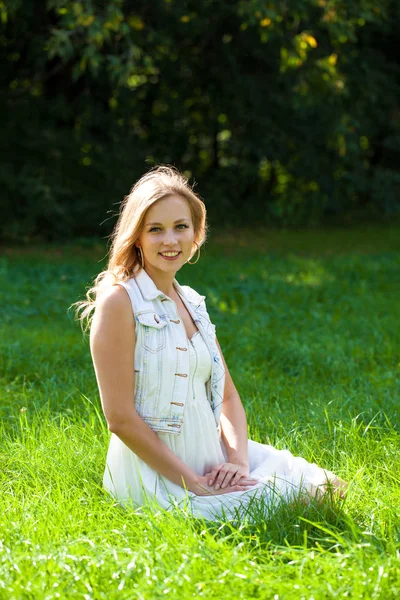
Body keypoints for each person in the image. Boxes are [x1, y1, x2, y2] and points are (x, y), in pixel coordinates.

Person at [73, 165, 346, 522]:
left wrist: (237, 462)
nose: (170, 240)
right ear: (136, 237)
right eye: (155, 229)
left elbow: (228, 397)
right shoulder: (119, 303)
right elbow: (120, 419)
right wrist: (195, 485)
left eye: (180, 227)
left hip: (211, 452)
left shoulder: (192, 302)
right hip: (158, 471)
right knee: (296, 504)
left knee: (329, 487)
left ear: (196, 234)